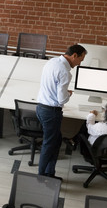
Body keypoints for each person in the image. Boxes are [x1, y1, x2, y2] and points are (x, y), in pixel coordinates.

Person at [36, 44, 87, 180]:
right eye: (80, 60)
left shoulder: (52, 61)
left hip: (40, 108)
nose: (79, 63)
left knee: (56, 141)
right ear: (74, 56)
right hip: (51, 112)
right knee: (48, 144)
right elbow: (62, 100)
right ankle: (41, 176)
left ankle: (49, 173)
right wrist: (68, 94)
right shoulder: (65, 72)